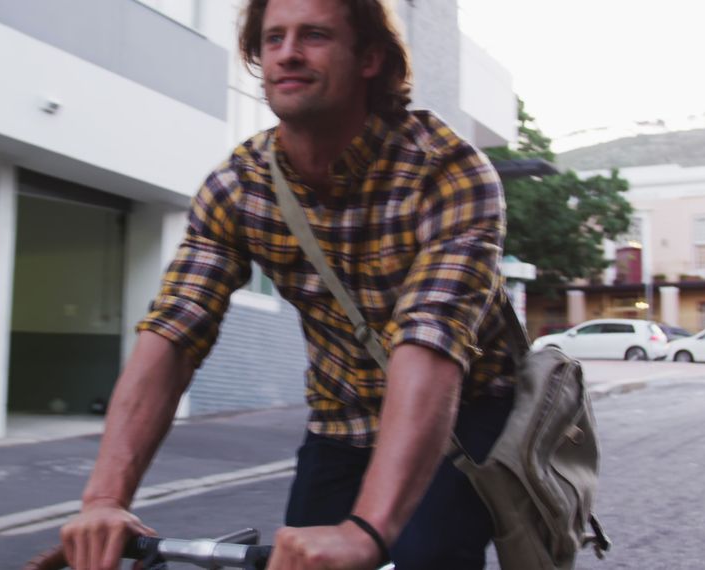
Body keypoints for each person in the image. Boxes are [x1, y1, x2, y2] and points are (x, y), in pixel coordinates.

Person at [60, 0, 516, 568]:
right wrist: (104, 500)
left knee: (425, 553)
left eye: (315, 36)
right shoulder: (239, 187)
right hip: (340, 414)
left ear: (370, 57)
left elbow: (430, 338)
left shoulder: (447, 171)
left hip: (461, 413)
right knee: (297, 557)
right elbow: (174, 330)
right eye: (273, 39)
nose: (288, 54)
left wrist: (366, 532)